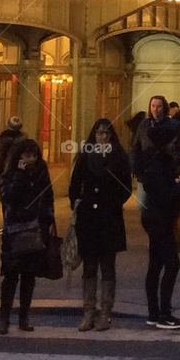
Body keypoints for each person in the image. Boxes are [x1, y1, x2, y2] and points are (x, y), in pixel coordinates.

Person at [68, 117, 133, 331]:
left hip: (109, 216)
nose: (102, 137)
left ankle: (105, 312)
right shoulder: (86, 156)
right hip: (89, 216)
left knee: (107, 266)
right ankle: (88, 311)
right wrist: (77, 202)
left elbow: (125, 187)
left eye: (106, 133)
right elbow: (75, 184)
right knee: (89, 266)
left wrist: (113, 202)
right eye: (99, 133)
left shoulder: (119, 158)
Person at [0, 137, 54, 335]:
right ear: (19, 157)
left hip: (34, 228)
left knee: (29, 276)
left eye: (34, 156)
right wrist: (21, 175)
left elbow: (48, 198)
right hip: (14, 230)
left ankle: (24, 316)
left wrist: (47, 223)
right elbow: (9, 197)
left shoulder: (41, 172)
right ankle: (4, 318)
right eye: (27, 155)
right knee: (11, 275)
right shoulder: (10, 175)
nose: (31, 159)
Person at [138, 118, 180, 329]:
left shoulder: (154, 162)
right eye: (172, 141)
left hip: (154, 217)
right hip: (160, 218)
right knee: (171, 263)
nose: (174, 145)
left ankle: (154, 311)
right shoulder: (160, 164)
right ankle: (164, 313)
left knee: (156, 264)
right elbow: (166, 195)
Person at [132, 94, 180, 171]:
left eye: (159, 106)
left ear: (164, 108)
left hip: (167, 169)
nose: (155, 109)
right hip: (147, 169)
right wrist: (138, 166)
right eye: (153, 106)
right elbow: (137, 146)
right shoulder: (144, 124)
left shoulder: (175, 125)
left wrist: (173, 163)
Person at [0, 115, 24, 185]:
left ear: (8, 125)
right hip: (19, 174)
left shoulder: (4, 140)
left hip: (5, 173)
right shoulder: (24, 140)